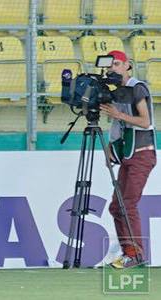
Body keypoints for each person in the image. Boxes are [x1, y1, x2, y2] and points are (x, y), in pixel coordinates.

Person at [100, 50, 156, 269]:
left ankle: (135, 254)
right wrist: (110, 148)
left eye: (116, 64)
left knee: (127, 204)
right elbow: (117, 126)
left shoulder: (137, 88)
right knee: (117, 206)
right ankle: (129, 253)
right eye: (109, 65)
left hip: (142, 153)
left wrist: (118, 115)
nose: (112, 68)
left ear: (127, 65)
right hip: (129, 154)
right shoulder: (119, 92)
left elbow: (145, 121)